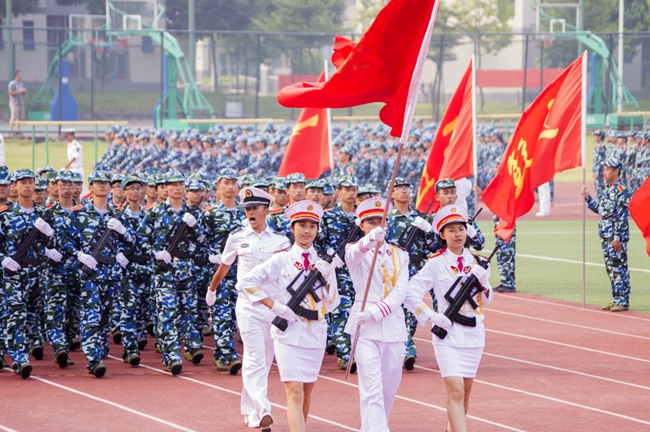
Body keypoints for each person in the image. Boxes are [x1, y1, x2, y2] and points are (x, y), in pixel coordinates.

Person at [237, 200, 340, 432]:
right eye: (301, 225)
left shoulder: (323, 263)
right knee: (294, 390)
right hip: (287, 333)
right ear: (292, 228)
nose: (307, 231)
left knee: (307, 391)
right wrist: (275, 306)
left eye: (312, 226)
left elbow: (333, 304)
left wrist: (328, 281)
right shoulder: (281, 258)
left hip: (315, 332)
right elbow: (246, 282)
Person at [206, 187, 290, 431]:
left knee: (265, 360)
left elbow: (287, 274)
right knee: (254, 357)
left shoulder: (281, 240)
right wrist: (212, 290)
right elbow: (224, 266)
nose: (250, 213)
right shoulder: (237, 237)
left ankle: (249, 409)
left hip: (273, 306)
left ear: (266, 210)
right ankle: (263, 409)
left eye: (255, 208)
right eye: (247, 209)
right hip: (249, 306)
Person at [405, 205, 492, 432]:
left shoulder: (479, 263)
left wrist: (485, 284)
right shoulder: (435, 263)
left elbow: (486, 300)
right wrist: (431, 316)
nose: (457, 234)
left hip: (473, 333)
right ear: (442, 235)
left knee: (466, 392)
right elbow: (409, 292)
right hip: (447, 333)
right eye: (451, 230)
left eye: (461, 229)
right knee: (455, 390)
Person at [345, 197, 409, 432]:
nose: (376, 226)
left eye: (380, 221)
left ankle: (371, 428)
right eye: (370, 222)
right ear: (362, 225)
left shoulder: (400, 254)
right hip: (364, 326)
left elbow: (400, 291)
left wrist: (376, 312)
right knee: (371, 387)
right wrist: (370, 239)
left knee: (389, 387)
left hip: (392, 324)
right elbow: (353, 256)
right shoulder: (354, 250)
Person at [137, 170, 205, 375]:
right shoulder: (155, 212)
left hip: (186, 271)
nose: (177, 188)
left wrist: (195, 227)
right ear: (165, 187)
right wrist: (155, 253)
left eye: (180, 184)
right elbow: (141, 239)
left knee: (186, 315)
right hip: (164, 272)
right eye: (173, 184)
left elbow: (202, 243)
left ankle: (175, 351)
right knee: (167, 313)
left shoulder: (194, 213)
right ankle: (172, 356)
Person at [73, 170, 136, 378]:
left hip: (111, 273)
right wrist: (79, 254)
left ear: (110, 187)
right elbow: (64, 240)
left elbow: (133, 241)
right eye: (97, 182)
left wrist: (123, 232)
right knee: (91, 315)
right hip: (90, 273)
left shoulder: (118, 214)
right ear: (90, 187)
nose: (102, 185)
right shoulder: (79, 214)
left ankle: (99, 350)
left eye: (105, 183)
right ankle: (93, 359)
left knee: (106, 317)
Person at [0, 169, 56, 378]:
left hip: (37, 273)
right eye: (22, 182)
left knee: (32, 317)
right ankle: (19, 358)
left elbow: (55, 245)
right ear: (14, 186)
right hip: (13, 274)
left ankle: (24, 351)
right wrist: (2, 259)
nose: (27, 186)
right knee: (16, 314)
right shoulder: (5, 215)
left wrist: (49, 233)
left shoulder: (43, 214)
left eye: (30, 182)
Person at [581, 157, 631, 311]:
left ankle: (623, 301)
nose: (604, 173)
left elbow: (622, 217)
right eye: (604, 170)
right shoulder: (608, 187)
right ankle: (617, 299)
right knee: (611, 268)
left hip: (615, 236)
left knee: (618, 267)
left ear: (616, 171)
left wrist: (617, 238)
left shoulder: (621, 191)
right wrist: (588, 198)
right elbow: (601, 209)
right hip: (605, 234)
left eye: (607, 170)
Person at [8, 70, 27, 136]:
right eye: (20, 75)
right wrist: (19, 91)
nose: (21, 76)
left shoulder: (20, 84)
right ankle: (10, 131)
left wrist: (23, 91)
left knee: (19, 117)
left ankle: (17, 131)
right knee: (13, 117)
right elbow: (10, 93)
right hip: (14, 103)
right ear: (17, 76)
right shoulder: (12, 84)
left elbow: (22, 93)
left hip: (20, 103)